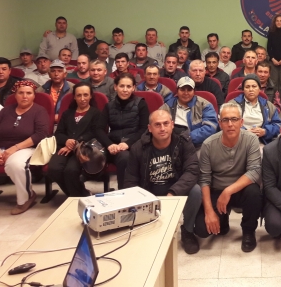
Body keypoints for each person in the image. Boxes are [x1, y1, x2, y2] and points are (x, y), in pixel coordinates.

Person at [124, 109, 201, 255]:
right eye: (157, 125)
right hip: (150, 189)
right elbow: (130, 180)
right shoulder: (138, 148)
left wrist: (173, 193)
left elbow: (192, 171)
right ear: (150, 128)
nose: (162, 128)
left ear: (172, 124)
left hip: (175, 187)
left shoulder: (184, 142)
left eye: (166, 123)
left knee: (195, 190)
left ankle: (187, 231)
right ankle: (148, 227)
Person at [192, 102, 262, 252]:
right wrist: (209, 211)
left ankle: (248, 231)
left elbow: (254, 171)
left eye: (234, 119)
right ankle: (222, 219)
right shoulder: (208, 145)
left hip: (241, 189)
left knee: (254, 192)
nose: (230, 124)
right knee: (202, 230)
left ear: (241, 122)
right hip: (216, 190)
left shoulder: (251, 140)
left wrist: (228, 191)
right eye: (225, 120)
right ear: (220, 123)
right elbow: (204, 179)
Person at [0, 80, 50, 215]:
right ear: (15, 95)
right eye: (21, 93)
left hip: (27, 148)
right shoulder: (5, 111)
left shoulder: (39, 111)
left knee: (15, 165)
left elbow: (41, 134)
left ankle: (26, 197)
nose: (24, 96)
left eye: (28, 93)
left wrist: (14, 148)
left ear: (34, 95)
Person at [47, 83, 107, 198]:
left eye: (86, 95)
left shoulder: (96, 113)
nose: (82, 98)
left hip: (84, 149)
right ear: (74, 97)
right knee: (54, 169)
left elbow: (95, 133)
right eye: (79, 95)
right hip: (64, 147)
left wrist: (75, 142)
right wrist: (66, 141)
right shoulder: (67, 113)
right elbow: (59, 133)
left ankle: (75, 196)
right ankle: (78, 193)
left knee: (71, 170)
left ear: (90, 96)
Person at [97, 73, 149, 189]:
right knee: (90, 155)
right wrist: (109, 144)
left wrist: (127, 144)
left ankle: (123, 191)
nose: (125, 90)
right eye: (121, 86)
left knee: (124, 158)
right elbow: (98, 129)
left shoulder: (141, 104)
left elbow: (144, 129)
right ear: (115, 87)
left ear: (134, 88)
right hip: (113, 146)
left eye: (128, 86)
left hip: (134, 145)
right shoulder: (109, 106)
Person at [160, 77, 218, 147]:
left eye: (189, 90)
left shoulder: (204, 105)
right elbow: (157, 124)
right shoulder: (167, 106)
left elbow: (210, 127)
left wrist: (187, 138)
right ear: (177, 91)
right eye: (182, 89)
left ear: (194, 91)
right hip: (171, 143)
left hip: (196, 145)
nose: (186, 93)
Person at [231, 74, 281, 145]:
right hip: (239, 142)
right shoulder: (233, 105)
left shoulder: (268, 105)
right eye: (247, 87)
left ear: (259, 89)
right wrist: (243, 132)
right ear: (243, 89)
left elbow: (278, 125)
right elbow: (226, 124)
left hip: (261, 141)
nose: (251, 89)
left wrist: (265, 131)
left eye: (254, 86)